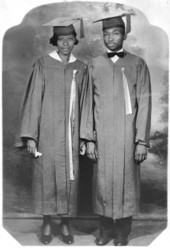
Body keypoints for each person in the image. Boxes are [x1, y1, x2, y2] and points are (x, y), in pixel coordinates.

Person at [80, 13, 152, 246]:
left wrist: (141, 141)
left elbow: (145, 105)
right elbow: (86, 104)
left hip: (128, 137)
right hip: (102, 137)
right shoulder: (94, 64)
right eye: (106, 34)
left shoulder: (137, 64)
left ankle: (123, 232)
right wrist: (88, 139)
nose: (110, 38)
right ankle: (105, 231)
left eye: (115, 33)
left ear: (124, 35)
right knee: (102, 183)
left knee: (126, 183)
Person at [15, 17, 86, 245]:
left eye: (69, 38)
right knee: (46, 178)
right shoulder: (43, 64)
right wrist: (31, 136)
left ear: (76, 40)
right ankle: (46, 221)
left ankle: (64, 222)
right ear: (54, 42)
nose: (65, 43)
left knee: (69, 179)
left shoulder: (81, 68)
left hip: (71, 135)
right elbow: (34, 101)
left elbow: (86, 104)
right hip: (46, 134)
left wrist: (85, 136)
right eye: (61, 39)